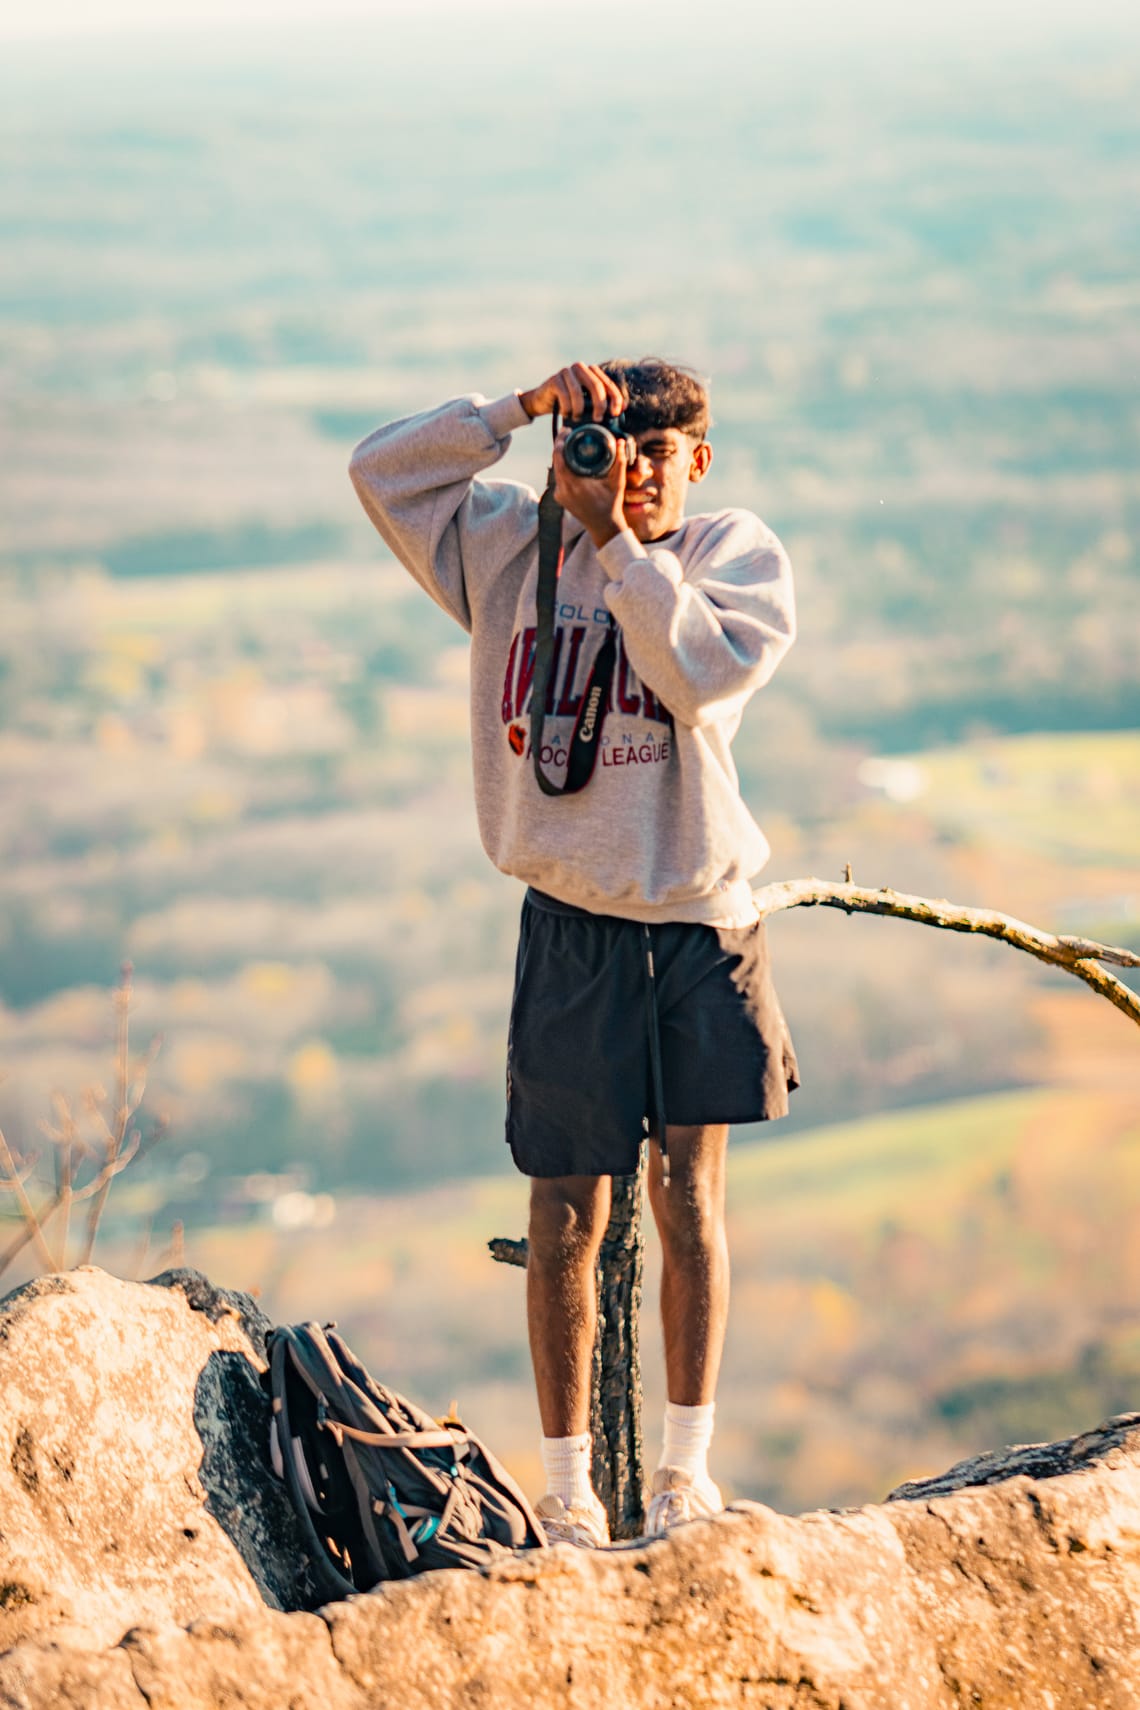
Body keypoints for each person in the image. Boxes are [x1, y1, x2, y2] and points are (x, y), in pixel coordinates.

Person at [349, 358, 799, 1547]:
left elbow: (698, 676)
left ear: (699, 462)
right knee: (562, 1213)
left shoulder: (729, 557)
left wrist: (618, 548)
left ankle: (684, 1478)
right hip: (568, 922)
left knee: (689, 1199)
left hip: (699, 917)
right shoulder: (509, 550)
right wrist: (514, 414)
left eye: (659, 453)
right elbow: (379, 471)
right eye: (609, 446)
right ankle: (565, 1494)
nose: (632, 472)